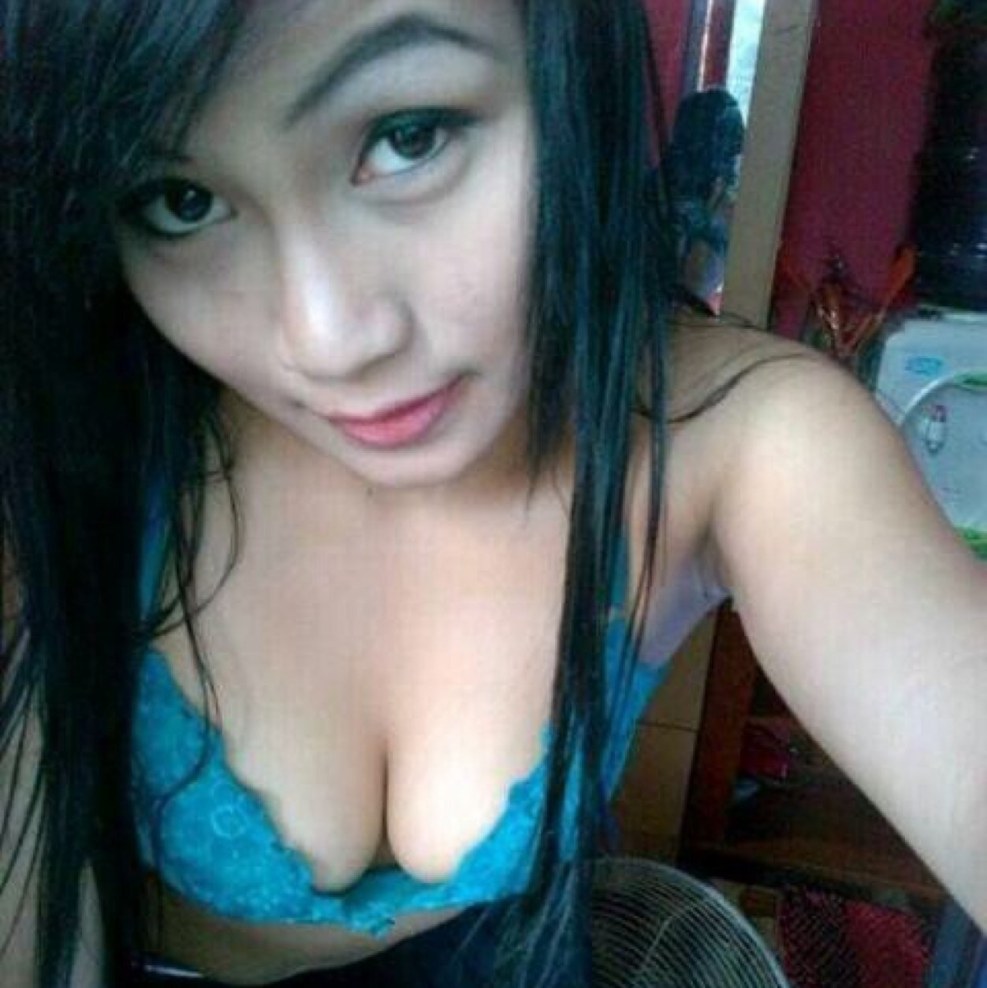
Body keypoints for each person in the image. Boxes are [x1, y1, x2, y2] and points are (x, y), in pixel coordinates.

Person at [1, 2, 984, 986]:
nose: (328, 339)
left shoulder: (737, 438)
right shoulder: (67, 443)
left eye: (408, 136)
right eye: (180, 201)